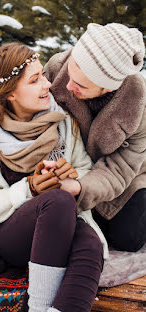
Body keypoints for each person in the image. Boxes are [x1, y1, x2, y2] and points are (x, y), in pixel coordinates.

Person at [0, 42, 108, 312]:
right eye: (35, 79)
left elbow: (85, 169)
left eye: (44, 75)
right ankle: (39, 306)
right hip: (11, 238)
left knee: (90, 243)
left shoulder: (62, 122)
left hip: (63, 227)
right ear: (10, 93)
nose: (48, 85)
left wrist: (73, 179)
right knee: (57, 201)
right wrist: (28, 188)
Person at [44, 22, 146, 253]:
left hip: (125, 175)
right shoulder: (57, 67)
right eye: (71, 72)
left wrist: (80, 187)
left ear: (108, 88)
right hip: (69, 164)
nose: (68, 86)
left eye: (80, 85)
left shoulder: (138, 108)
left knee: (126, 240)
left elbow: (119, 169)